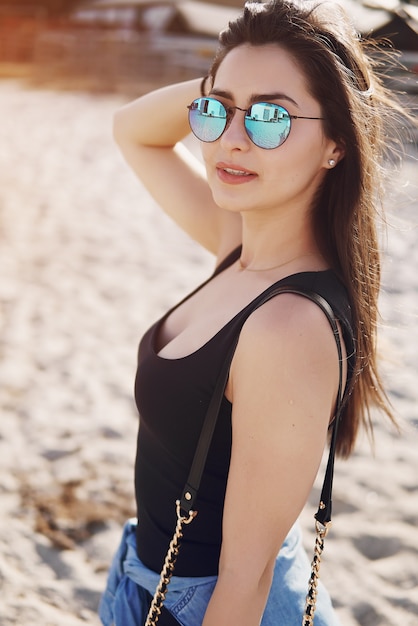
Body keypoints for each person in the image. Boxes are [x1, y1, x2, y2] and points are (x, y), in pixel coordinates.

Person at [99, 1, 407, 624]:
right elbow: (133, 128)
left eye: (272, 117)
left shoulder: (288, 326)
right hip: (144, 573)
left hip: (206, 603)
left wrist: (264, 78)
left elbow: (247, 577)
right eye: (218, 110)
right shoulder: (238, 246)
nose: (232, 139)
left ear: (335, 144)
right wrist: (235, 77)